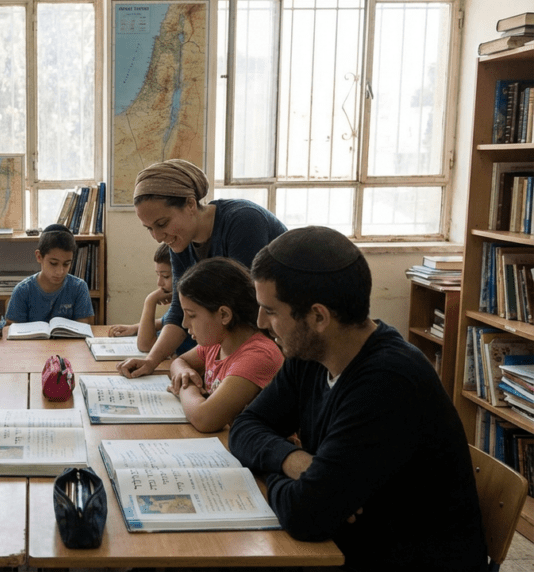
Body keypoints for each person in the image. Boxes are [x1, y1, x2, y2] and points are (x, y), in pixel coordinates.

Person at [228, 226, 487, 572]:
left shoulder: (389, 382)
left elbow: (306, 516)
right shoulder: (309, 355)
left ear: (318, 317)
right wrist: (293, 461)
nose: (261, 323)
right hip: (350, 546)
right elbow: (245, 426)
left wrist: (270, 473)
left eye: (271, 310)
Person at [117, 159, 286, 378]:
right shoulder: (179, 242)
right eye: (149, 228)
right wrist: (151, 362)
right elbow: (179, 311)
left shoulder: (243, 221)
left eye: (162, 224)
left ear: (189, 204)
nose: (158, 237)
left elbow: (247, 309)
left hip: (278, 340)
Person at [166, 258, 282, 432]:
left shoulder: (258, 356)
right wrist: (184, 373)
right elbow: (178, 362)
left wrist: (185, 387)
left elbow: (204, 419)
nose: (184, 323)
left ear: (224, 315)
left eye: (191, 315)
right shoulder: (217, 342)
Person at [107, 243, 193, 355]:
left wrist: (150, 301)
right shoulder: (178, 308)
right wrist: (134, 328)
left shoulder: (189, 311)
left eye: (166, 276)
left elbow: (146, 345)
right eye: (158, 275)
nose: (159, 283)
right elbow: (162, 322)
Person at [4, 223, 95, 325]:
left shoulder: (79, 287)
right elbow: (12, 332)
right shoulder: (23, 290)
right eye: (53, 263)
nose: (60, 271)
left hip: (68, 341)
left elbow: (85, 328)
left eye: (66, 264)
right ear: (39, 257)